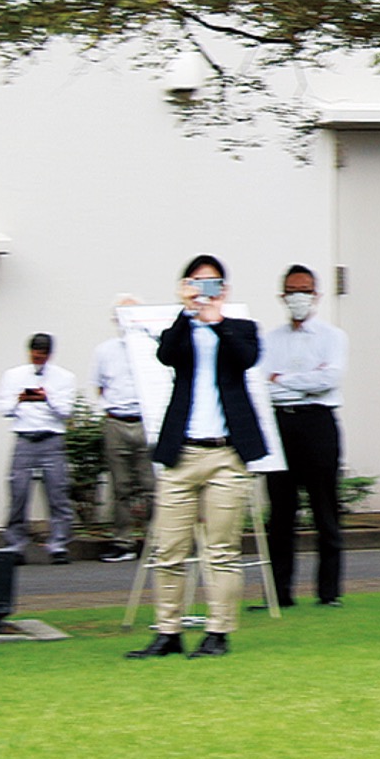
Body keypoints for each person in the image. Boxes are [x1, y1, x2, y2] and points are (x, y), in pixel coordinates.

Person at [126, 255, 267, 659]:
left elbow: (246, 359)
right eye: (196, 282)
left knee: (221, 550)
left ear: (225, 289)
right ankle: (168, 631)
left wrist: (216, 320)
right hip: (182, 454)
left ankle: (218, 632)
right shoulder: (181, 330)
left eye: (212, 283)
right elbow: (166, 355)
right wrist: (187, 312)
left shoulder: (241, 328)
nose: (205, 290)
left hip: (227, 454)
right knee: (169, 549)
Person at [262, 264, 349, 608]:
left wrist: (282, 380)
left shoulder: (332, 337)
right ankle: (279, 593)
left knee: (324, 508)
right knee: (281, 513)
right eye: (292, 291)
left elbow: (328, 380)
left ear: (316, 295)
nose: (298, 297)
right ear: (282, 296)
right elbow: (263, 386)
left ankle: (329, 592)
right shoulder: (270, 340)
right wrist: (300, 383)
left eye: (305, 291)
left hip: (318, 423)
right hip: (280, 425)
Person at [0, 333, 77, 564]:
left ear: (49, 355)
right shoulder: (13, 375)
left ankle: (58, 545)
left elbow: (65, 411)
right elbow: (4, 409)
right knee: (19, 492)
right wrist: (20, 399)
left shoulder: (64, 377)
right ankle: (15, 545)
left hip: (52, 439)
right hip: (24, 438)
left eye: (42, 356)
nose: (38, 359)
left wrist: (46, 397)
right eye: (35, 355)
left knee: (57, 493)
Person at [92, 296, 155, 563]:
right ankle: (123, 541)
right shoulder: (105, 351)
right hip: (116, 421)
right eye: (121, 314)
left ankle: (156, 541)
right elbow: (99, 386)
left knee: (151, 485)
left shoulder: (153, 347)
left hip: (146, 422)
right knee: (121, 486)